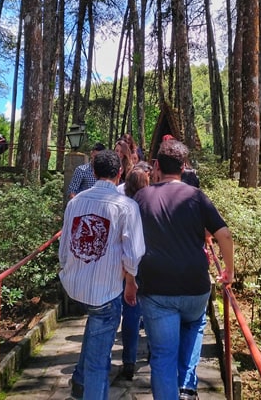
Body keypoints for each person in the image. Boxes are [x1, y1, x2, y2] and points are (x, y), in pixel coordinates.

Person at [133, 138, 234, 400]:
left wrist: (130, 278)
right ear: (184, 166)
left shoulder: (142, 197)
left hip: (156, 288)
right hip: (194, 286)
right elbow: (224, 234)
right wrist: (229, 272)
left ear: (156, 165)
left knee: (163, 356)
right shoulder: (196, 196)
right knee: (194, 325)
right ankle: (188, 385)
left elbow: (130, 240)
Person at [58, 149, 146, 400]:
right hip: (105, 290)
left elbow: (65, 247)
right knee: (100, 360)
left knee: (94, 326)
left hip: (76, 286)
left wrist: (67, 270)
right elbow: (133, 253)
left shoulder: (76, 202)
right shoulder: (126, 206)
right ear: (120, 173)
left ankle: (79, 380)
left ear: (93, 172)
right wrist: (131, 282)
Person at [117, 161, 152, 380]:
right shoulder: (150, 200)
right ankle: (151, 352)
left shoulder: (120, 200)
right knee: (150, 310)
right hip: (148, 262)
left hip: (125, 263)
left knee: (129, 311)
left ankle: (129, 361)